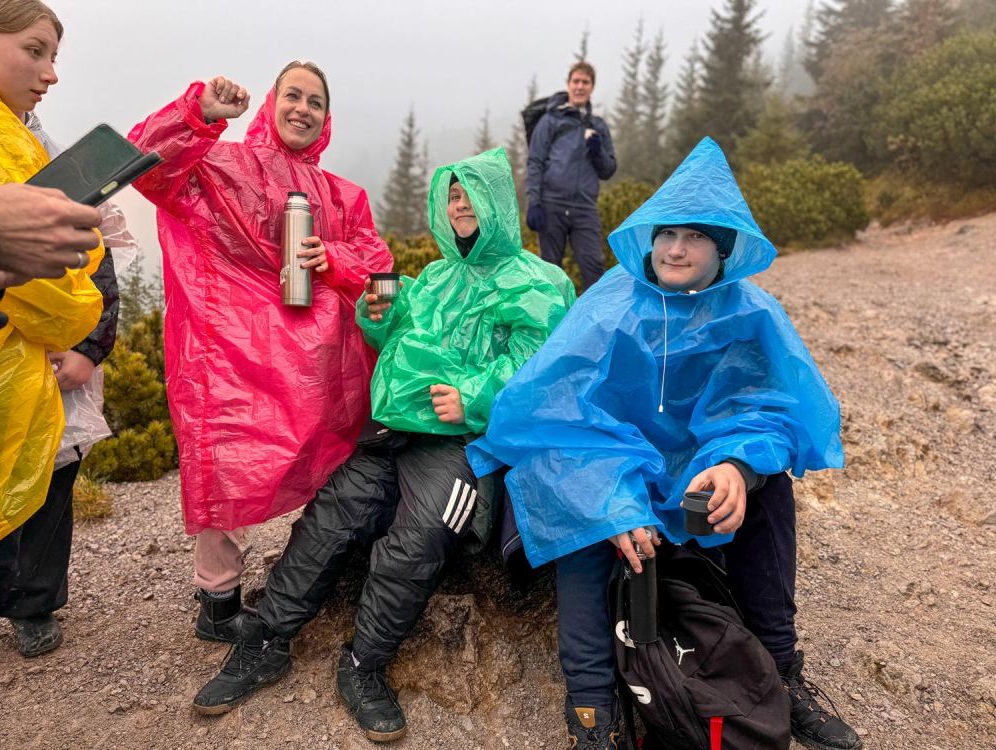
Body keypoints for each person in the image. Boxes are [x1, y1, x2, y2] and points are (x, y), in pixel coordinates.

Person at [470, 138, 862, 750]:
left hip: (693, 479)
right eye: (666, 233)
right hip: (609, 469)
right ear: (650, 241)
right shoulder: (609, 308)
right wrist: (613, 501)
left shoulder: (751, 313)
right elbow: (556, 417)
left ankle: (781, 672)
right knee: (582, 516)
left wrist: (734, 464)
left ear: (724, 249)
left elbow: (772, 409)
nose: (676, 248)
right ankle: (592, 711)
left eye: (696, 236)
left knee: (771, 492)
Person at [191, 148, 575, 742]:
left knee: (418, 537)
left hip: (468, 444)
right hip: (396, 431)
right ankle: (267, 640)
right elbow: (397, 339)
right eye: (452, 196)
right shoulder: (434, 278)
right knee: (331, 516)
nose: (461, 206)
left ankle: (363, 666)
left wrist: (476, 397)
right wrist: (380, 316)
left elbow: (540, 370)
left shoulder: (541, 282)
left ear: (500, 202)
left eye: (472, 195)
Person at [129, 63, 393, 642]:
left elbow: (379, 264)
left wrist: (338, 259)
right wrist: (199, 114)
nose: (302, 108)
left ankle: (319, 572)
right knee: (229, 465)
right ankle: (218, 603)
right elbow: (145, 165)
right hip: (234, 354)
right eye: (292, 95)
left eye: (315, 102)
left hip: (321, 362)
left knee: (342, 463)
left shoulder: (344, 194)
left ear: (327, 119)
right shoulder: (222, 165)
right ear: (272, 102)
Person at [0, 0, 105, 647]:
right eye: (34, 51)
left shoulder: (36, 145)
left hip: (41, 364)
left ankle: (33, 607)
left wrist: (90, 341)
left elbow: (95, 254)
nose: (50, 73)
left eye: (55, 56)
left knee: (49, 481)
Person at [525, 60, 616, 293]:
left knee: (593, 268)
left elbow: (608, 170)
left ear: (591, 87)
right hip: (551, 205)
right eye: (575, 81)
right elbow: (535, 162)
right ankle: (550, 326)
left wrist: (597, 151)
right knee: (550, 271)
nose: (579, 86)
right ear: (568, 85)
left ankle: (592, 325)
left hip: (584, 208)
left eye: (585, 82)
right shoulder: (550, 121)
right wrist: (534, 203)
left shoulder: (598, 126)